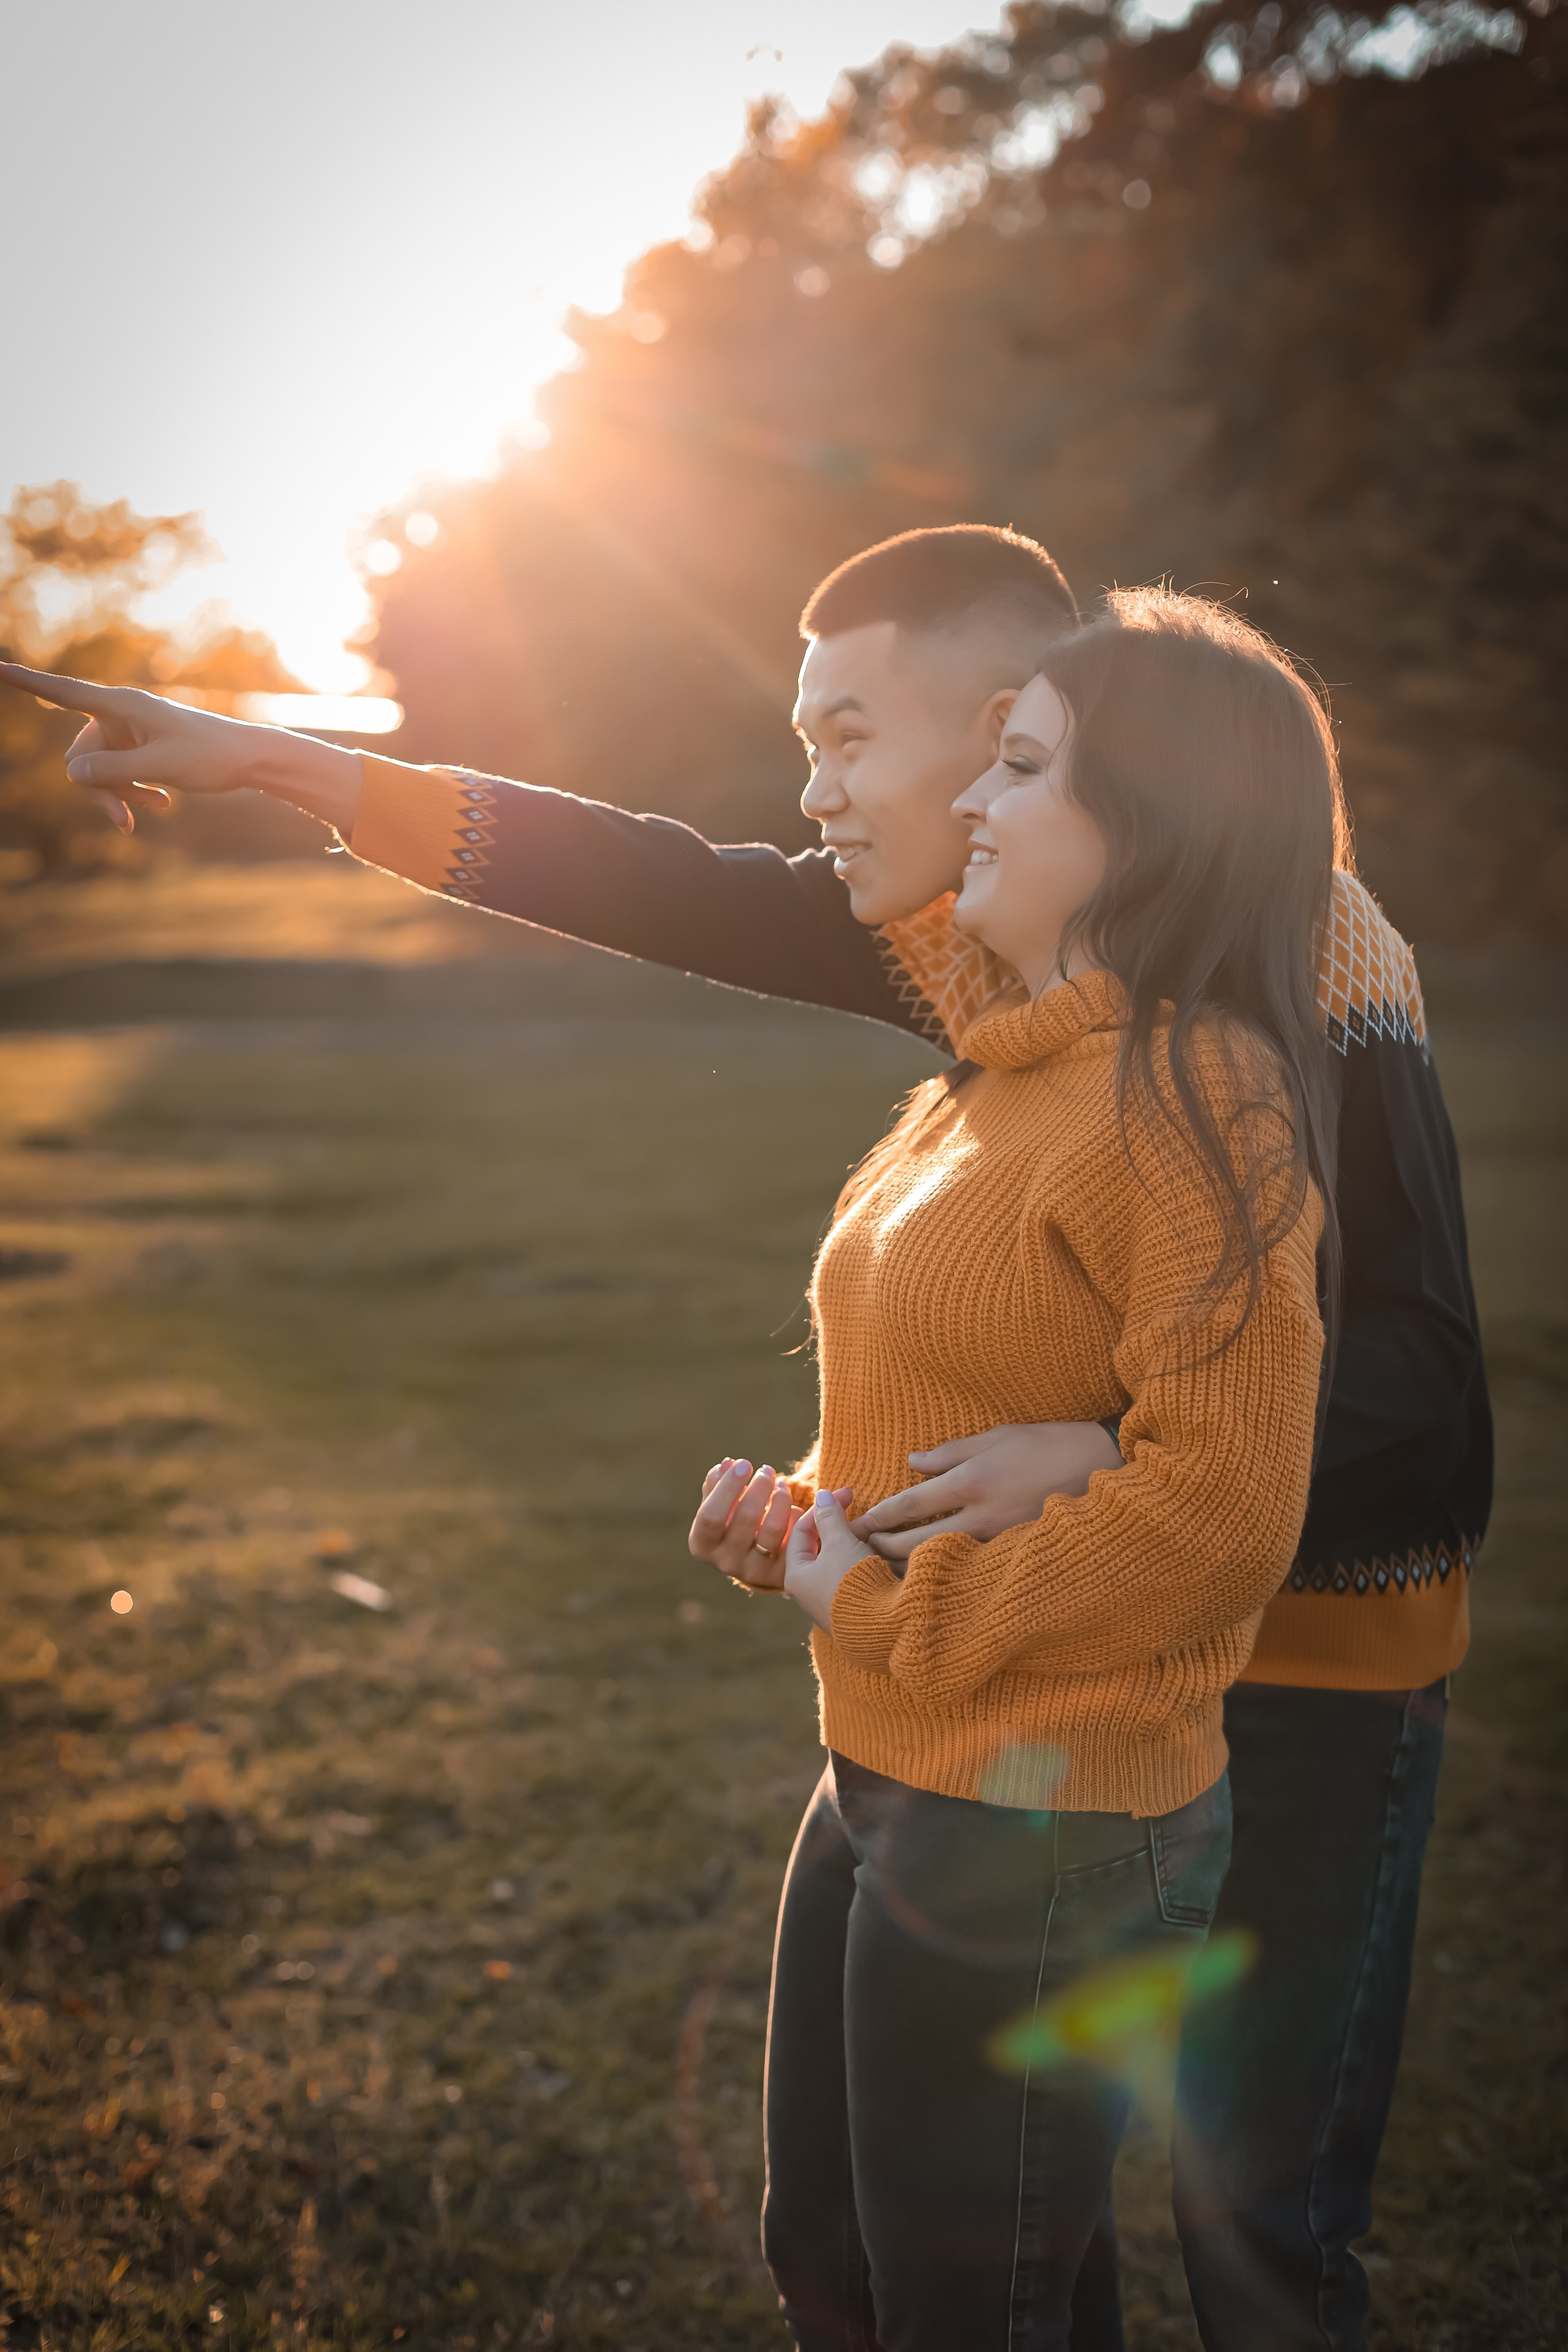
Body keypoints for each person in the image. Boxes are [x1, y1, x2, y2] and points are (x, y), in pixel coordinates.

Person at [0, 524, 1490, 2349]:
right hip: (1040, 1675)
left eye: (857, 738)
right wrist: (291, 763)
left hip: (1313, 1669)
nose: (817, 794)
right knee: (994, 2208)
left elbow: (1421, 1389)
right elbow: (671, 883)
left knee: (1249, 2214)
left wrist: (1106, 1457)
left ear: (1020, 730)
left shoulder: (1306, 956)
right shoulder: (989, 956)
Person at [689, 586, 1333, 2341]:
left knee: (969, 2310)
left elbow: (1221, 1508)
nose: (970, 800)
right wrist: (816, 1521)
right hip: (886, 1760)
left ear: (1156, 824)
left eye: (1023, 766)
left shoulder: (1203, 1098)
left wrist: (896, 1599)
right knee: (828, 2255)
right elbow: (957, 1401)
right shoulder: (990, 1072)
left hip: (1045, 1821)